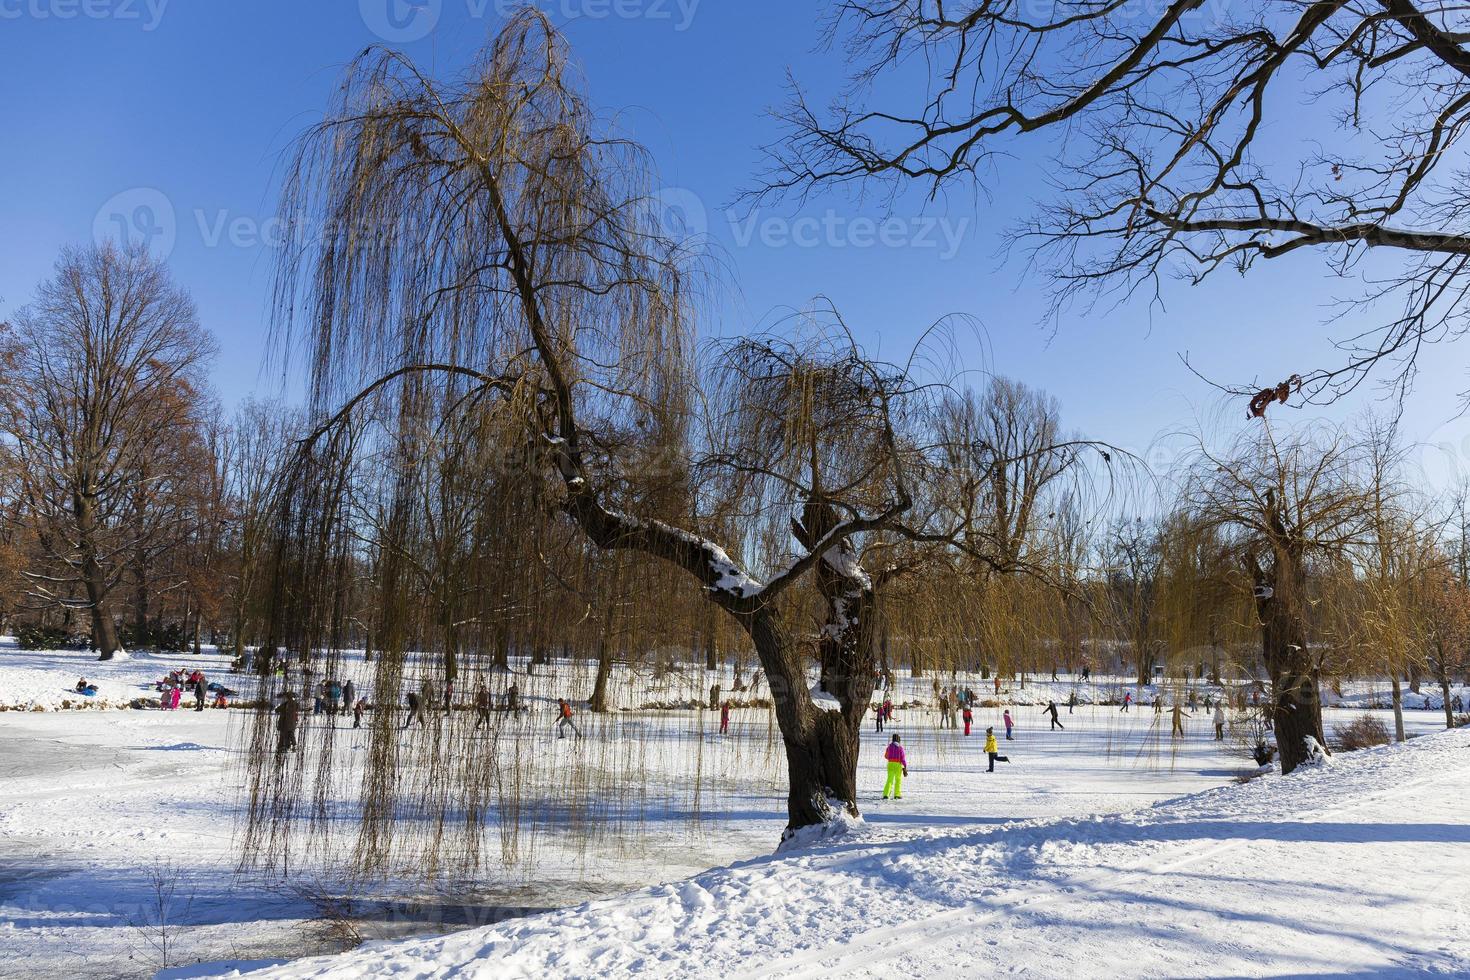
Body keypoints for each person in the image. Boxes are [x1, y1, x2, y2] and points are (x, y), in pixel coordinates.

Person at [882, 733, 907, 800]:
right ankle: (897, 794)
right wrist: (905, 766)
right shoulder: (900, 748)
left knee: (889, 780)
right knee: (898, 780)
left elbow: (886, 756)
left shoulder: (889, 747)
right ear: (899, 740)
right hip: (898, 765)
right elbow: (903, 758)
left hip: (890, 764)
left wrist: (891, 758)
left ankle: (886, 794)